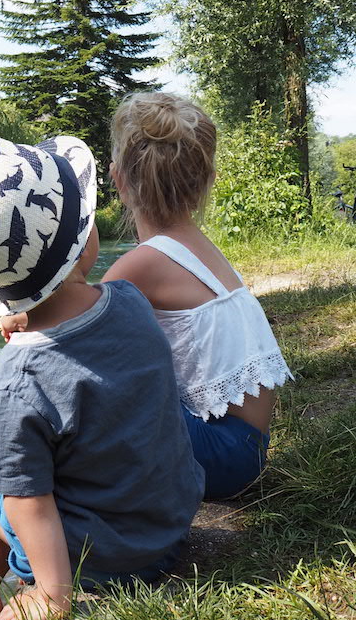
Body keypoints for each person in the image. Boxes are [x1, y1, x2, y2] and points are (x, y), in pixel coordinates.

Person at [0, 133, 204, 620]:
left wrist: (53, 593)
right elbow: (82, 353)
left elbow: (28, 499)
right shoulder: (131, 304)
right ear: (84, 240)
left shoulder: (15, 379)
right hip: (164, 535)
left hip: (99, 566)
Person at [100, 91, 293, 501]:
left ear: (118, 178)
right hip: (248, 448)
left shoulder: (141, 265)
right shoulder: (199, 248)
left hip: (220, 456)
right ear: (204, 181)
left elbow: (80, 341)